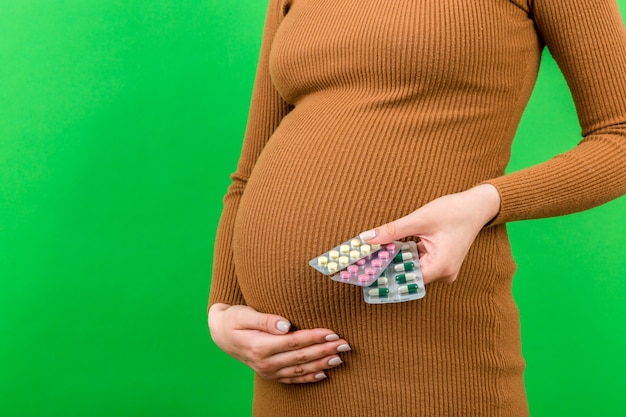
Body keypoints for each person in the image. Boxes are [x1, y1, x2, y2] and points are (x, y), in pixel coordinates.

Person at [208, 0, 626, 415]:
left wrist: (484, 203)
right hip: (288, 373)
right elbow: (246, 176)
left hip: (428, 355)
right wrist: (223, 310)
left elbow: (619, 136)